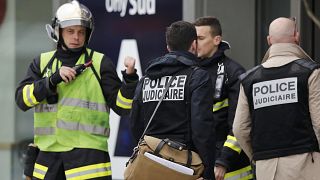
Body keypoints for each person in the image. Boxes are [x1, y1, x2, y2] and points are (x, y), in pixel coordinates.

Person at [15, 1, 138, 179]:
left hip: (89, 164)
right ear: (58, 31)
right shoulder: (41, 63)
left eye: (81, 32)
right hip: (48, 163)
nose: (76, 37)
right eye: (70, 31)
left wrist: (130, 78)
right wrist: (51, 81)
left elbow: (123, 107)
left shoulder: (100, 63)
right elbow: (22, 100)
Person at [233, 17, 320, 180]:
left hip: (266, 169)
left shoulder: (250, 79)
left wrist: (259, 156)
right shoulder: (310, 72)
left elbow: (239, 128)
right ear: (297, 36)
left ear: (269, 40)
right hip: (306, 165)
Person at [130, 21, 216, 180]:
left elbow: (135, 123)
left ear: (168, 47)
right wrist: (208, 170)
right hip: (184, 167)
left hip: (150, 165)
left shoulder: (146, 79)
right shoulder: (197, 77)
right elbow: (202, 128)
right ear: (193, 45)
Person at [194, 16, 252, 180]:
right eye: (194, 39)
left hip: (230, 169)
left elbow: (239, 123)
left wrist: (223, 161)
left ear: (217, 39)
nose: (196, 43)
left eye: (201, 38)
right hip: (198, 165)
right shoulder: (190, 71)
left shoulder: (234, 72)